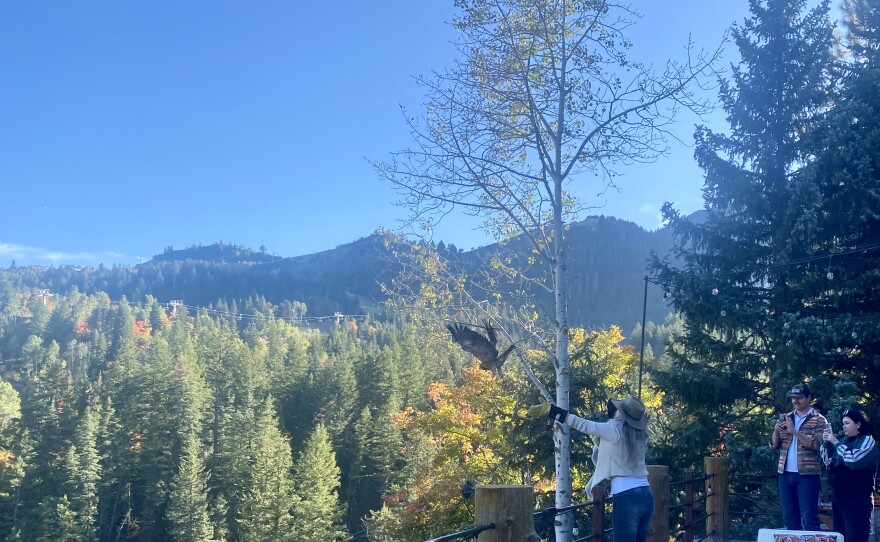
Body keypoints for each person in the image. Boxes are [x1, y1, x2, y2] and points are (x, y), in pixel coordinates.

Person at [528, 395, 653, 542]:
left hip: (626, 496)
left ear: (621, 413)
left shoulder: (614, 429)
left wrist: (552, 411)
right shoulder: (641, 434)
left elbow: (581, 424)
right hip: (646, 495)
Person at [770, 383, 828, 531]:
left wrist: (794, 431)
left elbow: (818, 445)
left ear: (809, 398)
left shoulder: (819, 419)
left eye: (800, 398)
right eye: (793, 398)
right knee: (790, 518)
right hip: (785, 474)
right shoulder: (786, 417)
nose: (796, 401)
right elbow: (774, 445)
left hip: (807, 475)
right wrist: (776, 431)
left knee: (809, 518)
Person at [821, 404, 878, 542]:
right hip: (839, 499)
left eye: (847, 423)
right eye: (843, 424)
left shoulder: (867, 441)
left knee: (856, 538)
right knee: (840, 537)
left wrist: (834, 441)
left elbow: (853, 460)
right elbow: (828, 463)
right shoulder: (842, 442)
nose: (844, 426)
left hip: (857, 500)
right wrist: (826, 444)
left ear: (858, 424)